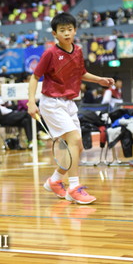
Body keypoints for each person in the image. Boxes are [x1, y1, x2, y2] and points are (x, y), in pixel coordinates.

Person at [27, 12, 114, 205]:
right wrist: (31, 102)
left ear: (75, 30)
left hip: (69, 103)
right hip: (51, 103)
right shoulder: (50, 53)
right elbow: (35, 77)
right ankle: (74, 187)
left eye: (69, 29)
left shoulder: (78, 50)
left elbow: (81, 73)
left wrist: (99, 79)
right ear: (54, 34)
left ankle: (55, 181)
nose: (66, 33)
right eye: (62, 30)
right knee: (74, 140)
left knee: (78, 147)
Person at [0, 81, 33, 147]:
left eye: (1, 87)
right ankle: (40, 131)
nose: (0, 89)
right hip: (3, 118)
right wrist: (12, 110)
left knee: (26, 120)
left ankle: (31, 141)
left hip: (13, 116)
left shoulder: (7, 96)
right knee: (28, 113)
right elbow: (1, 111)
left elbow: (13, 107)